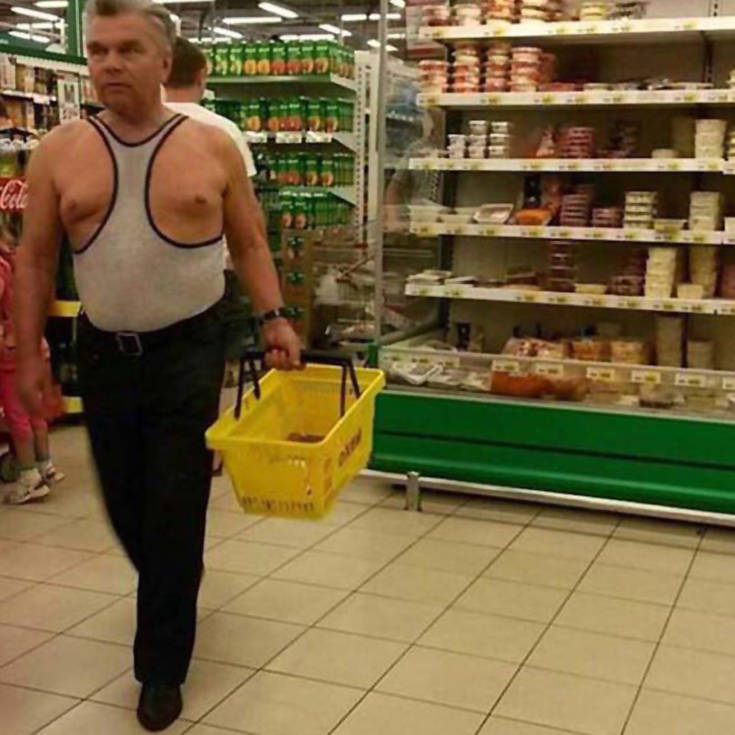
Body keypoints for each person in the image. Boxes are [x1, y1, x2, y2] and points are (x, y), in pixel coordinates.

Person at [13, 0, 300, 731]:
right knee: (125, 504)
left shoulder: (211, 146)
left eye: (128, 50)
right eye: (98, 50)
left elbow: (252, 243)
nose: (109, 64)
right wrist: (29, 352)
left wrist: (274, 317)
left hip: (190, 348)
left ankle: (160, 668)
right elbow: (36, 259)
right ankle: (175, 575)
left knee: (174, 503)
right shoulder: (59, 151)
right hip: (104, 352)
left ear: (164, 62)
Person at [164, 38, 259, 471]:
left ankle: (162, 447)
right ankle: (209, 447)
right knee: (209, 365)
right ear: (202, 76)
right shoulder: (222, 131)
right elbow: (246, 213)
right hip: (212, 269)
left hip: (151, 272)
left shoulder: (134, 125)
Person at [0, 226, 64, 504]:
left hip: (10, 348)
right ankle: (45, 465)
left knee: (17, 416)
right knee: (34, 412)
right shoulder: (20, 260)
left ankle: (29, 478)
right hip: (34, 341)